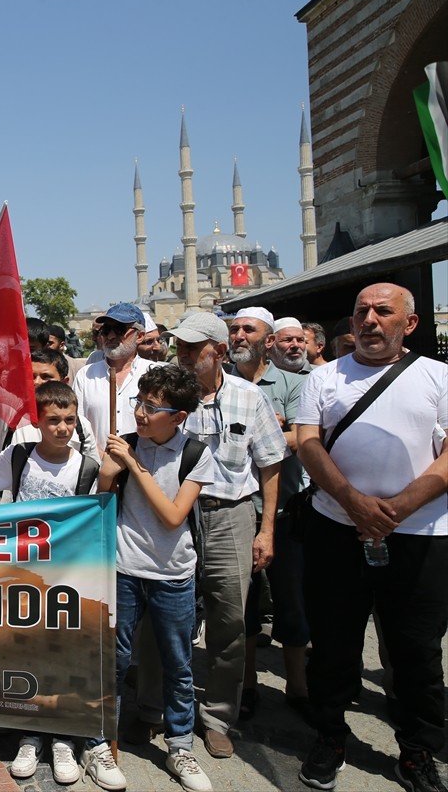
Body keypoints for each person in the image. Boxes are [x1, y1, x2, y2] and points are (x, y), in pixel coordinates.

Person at [294, 283, 447, 792]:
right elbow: (308, 444)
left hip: (421, 533)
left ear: (410, 323)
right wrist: (353, 502)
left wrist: (399, 508)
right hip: (336, 530)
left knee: (416, 651)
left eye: (384, 311)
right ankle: (331, 737)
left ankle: (418, 749)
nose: (370, 319)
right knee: (334, 643)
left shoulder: (437, 377)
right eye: (362, 311)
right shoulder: (323, 378)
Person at [143, 311, 285, 760]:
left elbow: (270, 463)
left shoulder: (247, 396)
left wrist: (265, 529)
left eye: (191, 348)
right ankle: (153, 709)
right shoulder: (158, 394)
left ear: (218, 352)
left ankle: (219, 716)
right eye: (178, 346)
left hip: (229, 516)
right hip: (169, 518)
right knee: (159, 617)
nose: (180, 355)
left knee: (228, 620)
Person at [0, 381, 103, 785]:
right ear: (37, 421)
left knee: (64, 656)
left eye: (69, 420)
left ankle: (64, 739)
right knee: (28, 656)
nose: (62, 428)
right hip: (23, 577)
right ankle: (31, 734)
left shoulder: (89, 467)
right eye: (53, 420)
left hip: (69, 579)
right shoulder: (19, 456)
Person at [96, 364, 216, 792]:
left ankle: (180, 745)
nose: (141, 414)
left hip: (173, 573)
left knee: (178, 664)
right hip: (124, 569)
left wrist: (131, 462)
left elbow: (172, 516)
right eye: (138, 403)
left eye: (152, 407)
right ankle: (100, 742)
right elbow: (101, 499)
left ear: (178, 417)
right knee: (113, 659)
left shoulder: (195, 453)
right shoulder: (127, 444)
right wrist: (110, 470)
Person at [225, 307, 309, 722]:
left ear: (269, 341)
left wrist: (269, 431)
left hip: (286, 512)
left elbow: (305, 436)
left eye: (248, 330)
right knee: (244, 607)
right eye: (234, 329)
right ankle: (248, 685)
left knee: (292, 601)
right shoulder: (219, 385)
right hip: (237, 512)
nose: (239, 336)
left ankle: (298, 686)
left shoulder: (295, 383)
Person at [72, 303, 161, 450]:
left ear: (139, 336)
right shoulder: (86, 375)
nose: (111, 336)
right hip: (98, 466)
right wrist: (98, 458)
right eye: (106, 330)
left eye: (120, 330)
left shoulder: (156, 373)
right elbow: (77, 425)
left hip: (144, 468)